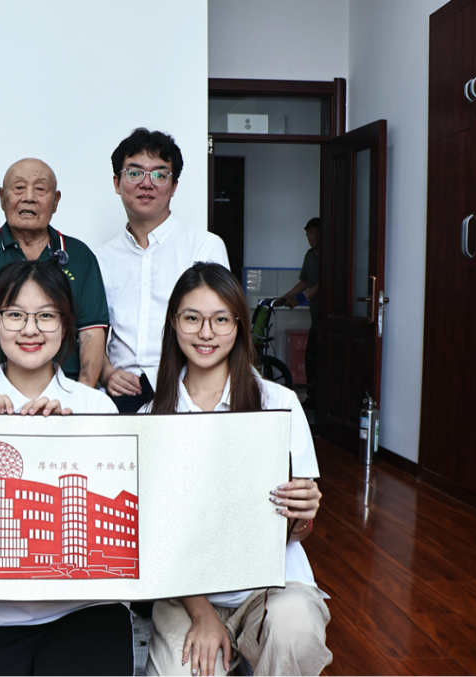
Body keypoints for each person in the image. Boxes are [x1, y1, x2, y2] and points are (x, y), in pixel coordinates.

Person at [0, 260, 131, 676]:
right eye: (15, 315)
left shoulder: (96, 407)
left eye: (46, 316)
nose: (30, 329)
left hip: (84, 609)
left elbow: (119, 519)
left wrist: (70, 444)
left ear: (66, 326)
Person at [142, 262, 331, 677]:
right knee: (183, 671)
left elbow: (300, 530)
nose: (206, 333)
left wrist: (304, 512)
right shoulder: (151, 418)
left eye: (221, 319)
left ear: (239, 325)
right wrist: (202, 613)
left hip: (271, 587)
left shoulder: (279, 403)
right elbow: (155, 538)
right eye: (192, 318)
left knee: (295, 631)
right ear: (173, 323)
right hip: (186, 592)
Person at [0, 158, 109, 410]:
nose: (29, 197)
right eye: (19, 188)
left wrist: (81, 401)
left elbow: (92, 334)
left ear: (56, 200)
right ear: (2, 197)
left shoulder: (79, 255)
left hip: (63, 388)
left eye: (40, 189)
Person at [97, 128, 229, 413]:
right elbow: (90, 330)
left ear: (174, 185)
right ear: (117, 183)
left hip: (187, 390)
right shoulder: (100, 259)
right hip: (121, 392)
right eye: (134, 173)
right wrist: (106, 373)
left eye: (159, 175)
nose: (146, 184)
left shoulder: (204, 247)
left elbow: (219, 327)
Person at [281, 217, 321, 410]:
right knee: (310, 360)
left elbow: (320, 286)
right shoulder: (309, 255)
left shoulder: (329, 255)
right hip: (316, 320)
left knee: (322, 361)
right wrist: (285, 297)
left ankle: (322, 400)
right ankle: (312, 398)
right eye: (310, 234)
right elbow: (305, 282)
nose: (313, 237)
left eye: (316, 233)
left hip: (328, 321)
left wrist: (299, 300)